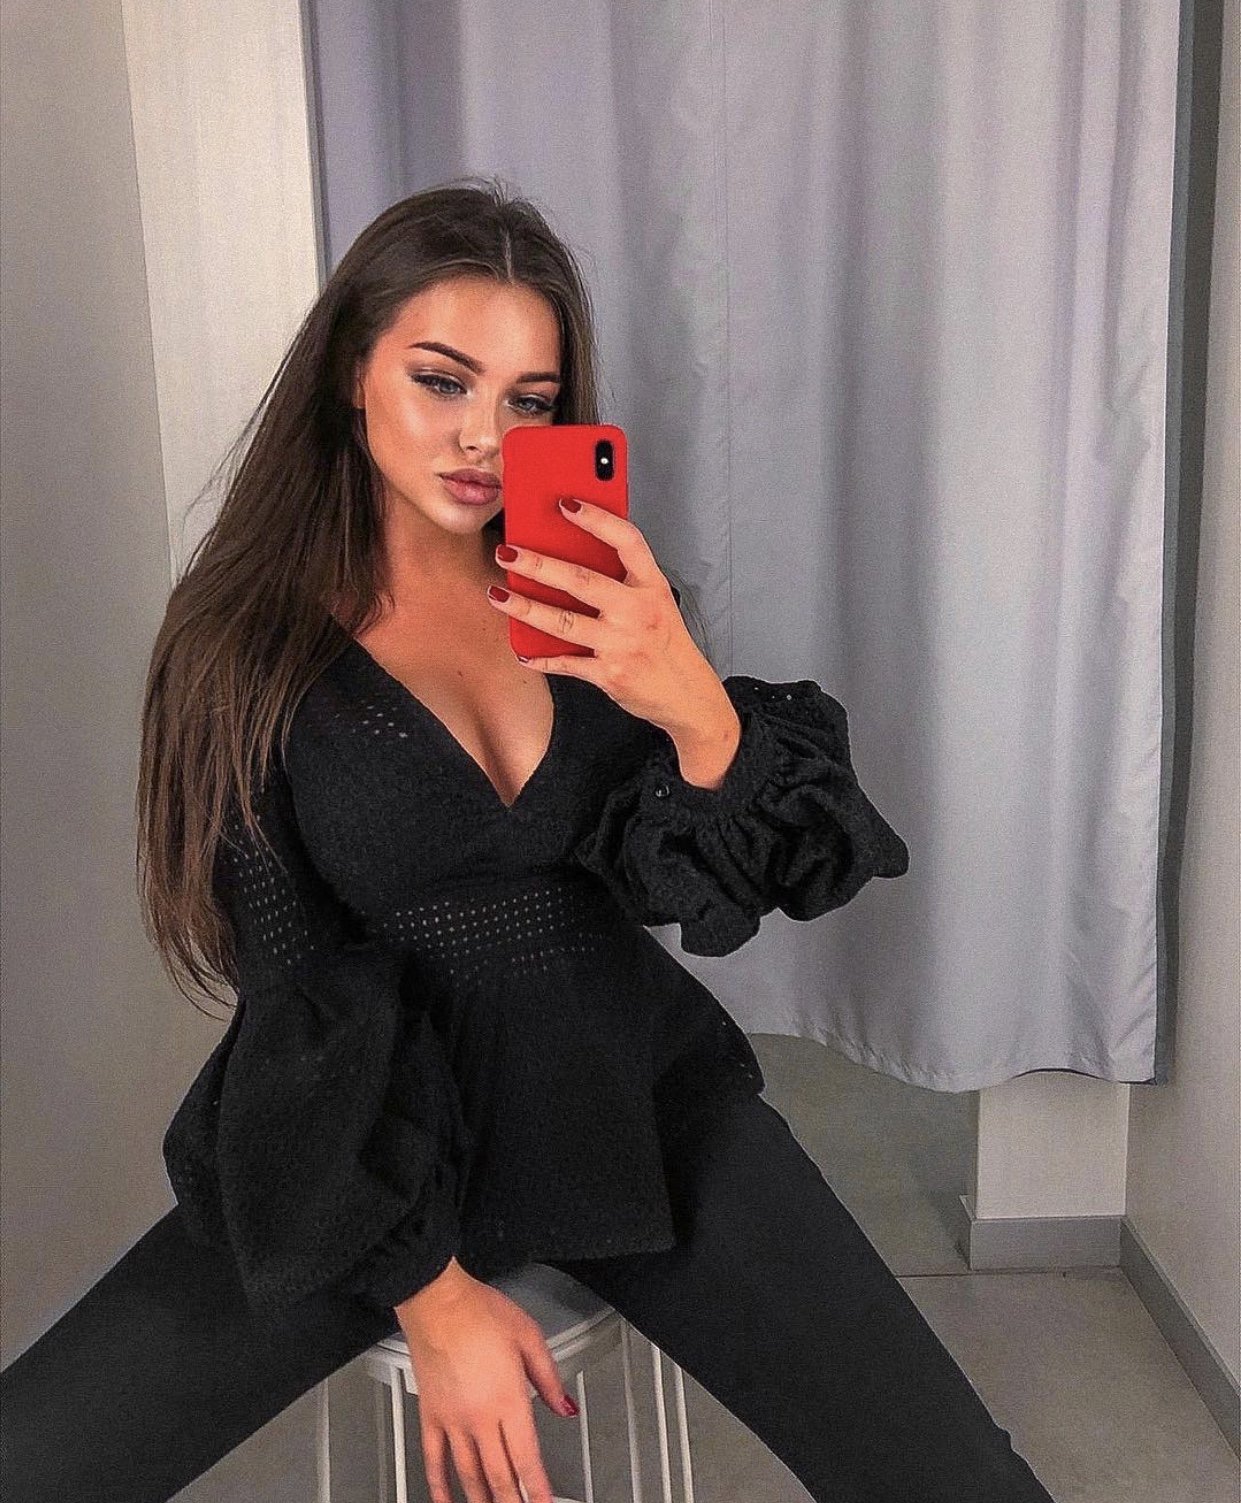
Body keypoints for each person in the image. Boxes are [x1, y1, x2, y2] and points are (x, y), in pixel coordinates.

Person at [0, 178, 1055, 1503]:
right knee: (36, 1460)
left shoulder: (595, 600)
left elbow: (749, 872)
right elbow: (291, 989)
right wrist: (431, 1295)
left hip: (635, 1106)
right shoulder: (243, 649)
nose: (484, 439)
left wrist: (689, 698)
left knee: (964, 1483)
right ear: (350, 371)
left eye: (529, 400)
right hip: (364, 1146)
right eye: (442, 380)